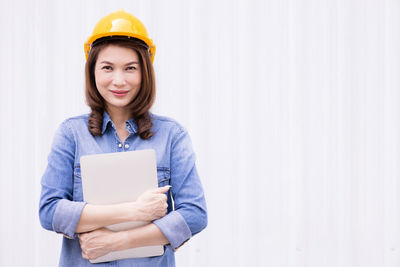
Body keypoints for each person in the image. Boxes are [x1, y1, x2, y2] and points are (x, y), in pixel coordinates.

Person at [39, 9, 207, 266]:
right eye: (108, 67)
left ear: (145, 73)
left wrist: (118, 242)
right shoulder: (71, 134)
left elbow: (194, 214)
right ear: (93, 71)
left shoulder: (172, 136)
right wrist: (134, 211)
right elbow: (50, 211)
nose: (119, 80)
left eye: (130, 68)